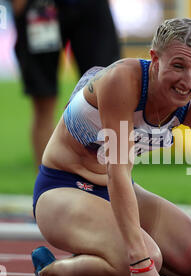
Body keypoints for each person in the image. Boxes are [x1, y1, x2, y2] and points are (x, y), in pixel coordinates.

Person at [31, 18, 191, 276]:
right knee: (147, 258)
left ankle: (102, 251)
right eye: (178, 66)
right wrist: (139, 260)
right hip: (62, 189)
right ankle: (52, 270)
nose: (188, 81)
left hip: (117, 190)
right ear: (155, 59)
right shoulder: (122, 81)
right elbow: (116, 170)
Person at [12, 0, 121, 167]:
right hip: (41, 7)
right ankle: (47, 187)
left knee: (106, 93)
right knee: (43, 100)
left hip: (90, 7)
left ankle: (103, 186)